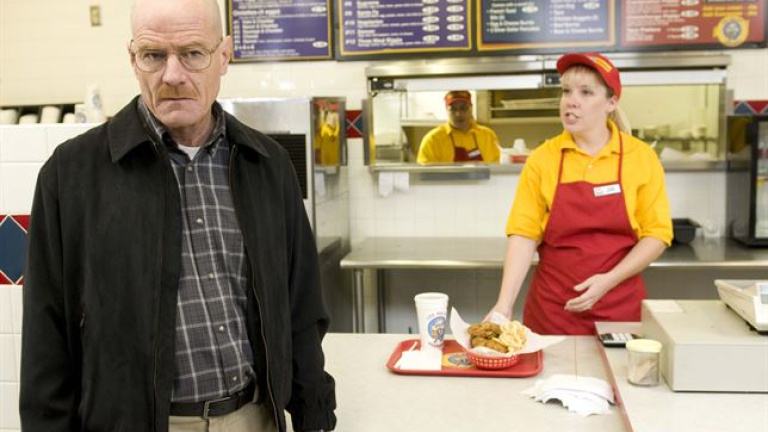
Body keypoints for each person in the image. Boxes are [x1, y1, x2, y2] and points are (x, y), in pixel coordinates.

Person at [19, 1, 336, 431]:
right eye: (153, 55)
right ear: (133, 59)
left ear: (223, 56)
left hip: (254, 418)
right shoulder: (71, 175)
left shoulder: (267, 164)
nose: (172, 75)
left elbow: (301, 309)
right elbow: (46, 338)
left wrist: (314, 416)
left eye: (192, 53)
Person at [486, 53, 672, 335]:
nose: (571, 101)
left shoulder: (640, 157)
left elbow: (657, 234)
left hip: (619, 309)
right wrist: (504, 305)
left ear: (611, 102)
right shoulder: (543, 158)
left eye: (586, 92)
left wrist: (608, 280)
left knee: (617, 366)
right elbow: (524, 235)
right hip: (552, 312)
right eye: (566, 91)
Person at [417, 90, 501, 164]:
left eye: (463, 108)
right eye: (453, 109)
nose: (458, 114)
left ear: (471, 108)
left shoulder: (488, 136)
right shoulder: (433, 140)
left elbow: (496, 170)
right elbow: (425, 174)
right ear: (446, 110)